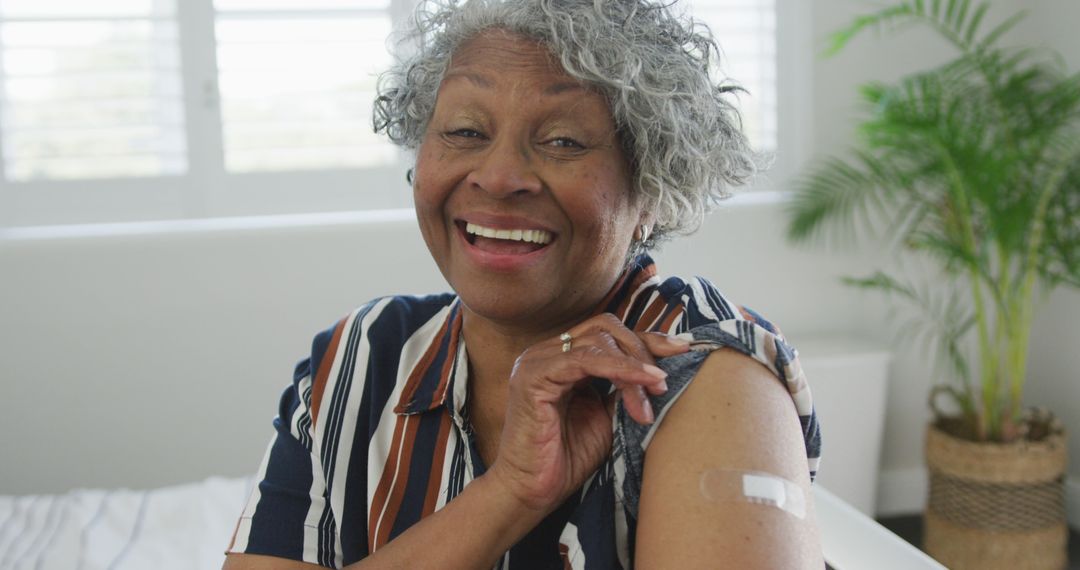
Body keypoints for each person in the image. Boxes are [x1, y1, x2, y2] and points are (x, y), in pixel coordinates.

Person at [223, 0, 823, 567]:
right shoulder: (359, 358)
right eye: (464, 131)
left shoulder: (701, 373)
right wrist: (509, 492)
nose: (500, 176)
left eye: (563, 140)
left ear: (651, 192)